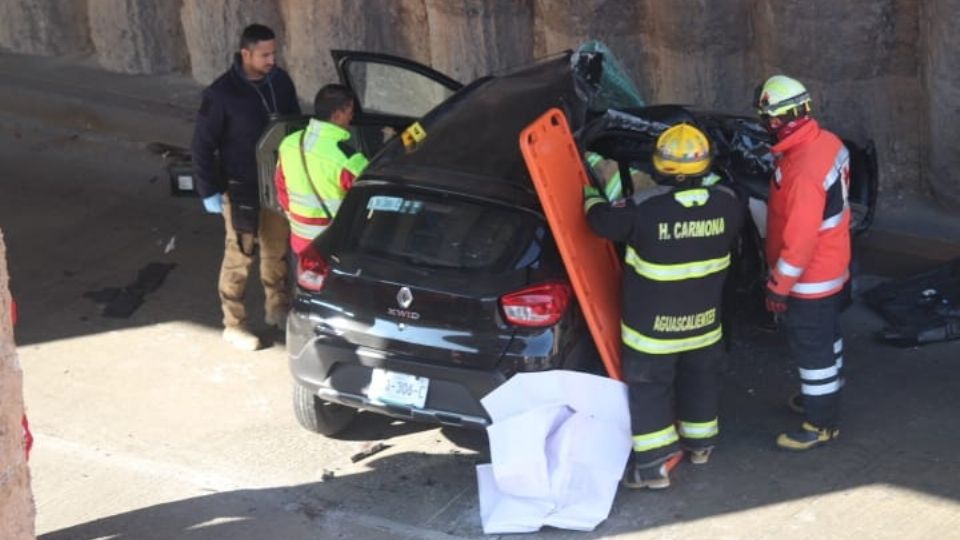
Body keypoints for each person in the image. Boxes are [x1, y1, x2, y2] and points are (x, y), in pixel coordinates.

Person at [583, 123, 744, 489]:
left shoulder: (645, 208)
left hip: (652, 330)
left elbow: (600, 222)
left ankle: (653, 467)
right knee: (701, 381)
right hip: (704, 324)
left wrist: (591, 196)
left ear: (659, 166)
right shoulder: (729, 204)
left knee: (650, 389)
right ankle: (701, 446)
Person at [755, 75, 851, 450]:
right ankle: (825, 393)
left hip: (809, 278)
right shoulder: (827, 143)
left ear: (778, 120)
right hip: (832, 265)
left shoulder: (802, 171)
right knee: (827, 338)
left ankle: (820, 422)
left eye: (768, 119)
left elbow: (799, 241)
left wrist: (778, 287)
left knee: (812, 350)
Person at [191, 24, 301, 351]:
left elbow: (293, 126)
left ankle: (277, 307)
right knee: (240, 256)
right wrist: (209, 190)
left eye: (274, 53)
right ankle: (234, 322)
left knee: (276, 249)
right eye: (265, 54)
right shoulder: (221, 94)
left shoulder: (280, 82)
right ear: (246, 54)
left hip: (276, 184)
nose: (271, 60)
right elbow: (202, 145)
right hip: (240, 188)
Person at [275, 84, 369, 255]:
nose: (352, 117)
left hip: (299, 242)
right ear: (338, 115)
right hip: (331, 247)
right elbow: (366, 207)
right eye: (350, 112)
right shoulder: (348, 160)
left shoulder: (289, 143)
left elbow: (282, 190)